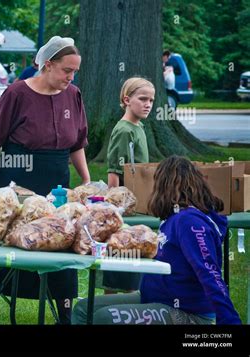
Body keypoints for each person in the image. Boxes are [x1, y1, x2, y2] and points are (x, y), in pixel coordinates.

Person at [0, 35, 90, 325]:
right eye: (66, 70)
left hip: (56, 181)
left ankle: (64, 315)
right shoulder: (16, 93)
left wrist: (86, 181)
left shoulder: (73, 94)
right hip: (17, 177)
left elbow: (77, 143)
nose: (70, 77)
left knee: (59, 240)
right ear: (47, 65)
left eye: (75, 71)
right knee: (5, 245)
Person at [72, 156, 242, 325]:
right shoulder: (174, 217)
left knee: (104, 318)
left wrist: (229, 320)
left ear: (166, 185)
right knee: (83, 309)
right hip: (153, 297)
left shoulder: (189, 222)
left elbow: (209, 271)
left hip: (188, 312)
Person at [104, 77, 155, 294]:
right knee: (121, 259)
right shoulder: (124, 130)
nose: (148, 104)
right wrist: (116, 209)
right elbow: (114, 172)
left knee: (134, 260)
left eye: (151, 100)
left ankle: (128, 303)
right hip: (125, 209)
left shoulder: (138, 126)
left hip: (139, 203)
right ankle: (111, 307)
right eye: (142, 99)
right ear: (127, 99)